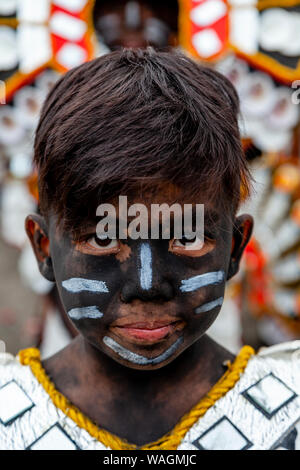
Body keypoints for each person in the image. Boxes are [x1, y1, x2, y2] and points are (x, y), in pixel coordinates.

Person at [0, 49, 299, 451]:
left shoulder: (287, 417)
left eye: (187, 238)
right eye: (104, 239)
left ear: (235, 248)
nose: (147, 284)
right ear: (43, 248)